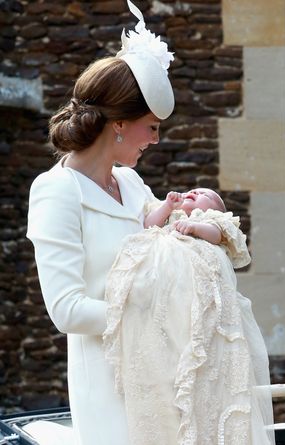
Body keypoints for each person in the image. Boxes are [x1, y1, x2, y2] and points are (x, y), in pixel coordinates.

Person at [26, 1, 175, 445]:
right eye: (150, 127)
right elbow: (67, 309)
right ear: (118, 124)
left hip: (161, 372)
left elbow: (165, 245)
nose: (155, 140)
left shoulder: (130, 184)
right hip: (108, 385)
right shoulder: (57, 191)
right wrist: (146, 314)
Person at [103, 189, 276, 444]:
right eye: (192, 191)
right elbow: (146, 225)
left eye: (205, 193)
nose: (194, 191)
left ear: (215, 207)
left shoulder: (210, 220)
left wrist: (195, 226)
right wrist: (166, 207)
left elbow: (217, 234)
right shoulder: (169, 216)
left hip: (199, 280)